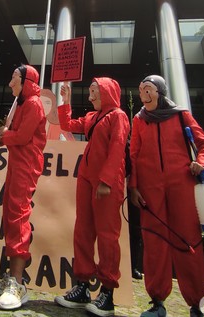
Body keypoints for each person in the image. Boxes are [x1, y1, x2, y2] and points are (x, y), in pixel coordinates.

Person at [128, 75, 204, 317]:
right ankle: (157, 301)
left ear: (160, 91)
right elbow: (133, 155)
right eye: (141, 88)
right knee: (154, 242)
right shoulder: (138, 119)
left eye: (148, 88)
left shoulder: (180, 115)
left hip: (182, 185)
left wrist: (201, 162)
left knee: (187, 241)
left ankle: (196, 303)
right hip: (149, 190)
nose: (143, 92)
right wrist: (133, 187)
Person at [53, 77, 130, 317]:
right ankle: (83, 286)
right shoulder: (93, 118)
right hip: (87, 180)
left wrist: (106, 180)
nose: (90, 96)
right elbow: (67, 124)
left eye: (94, 91)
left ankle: (107, 292)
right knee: (83, 231)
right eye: (89, 92)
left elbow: (118, 148)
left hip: (106, 182)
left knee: (107, 235)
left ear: (107, 92)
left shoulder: (118, 116)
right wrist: (65, 101)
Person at [0, 64, 46, 310]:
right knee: (10, 216)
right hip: (18, 163)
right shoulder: (23, 102)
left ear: (26, 81)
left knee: (18, 217)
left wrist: (5, 133)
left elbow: (22, 137)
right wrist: (7, 135)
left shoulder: (33, 104)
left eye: (14, 78)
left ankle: (18, 284)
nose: (10, 83)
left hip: (26, 165)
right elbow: (18, 136)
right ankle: (11, 278)